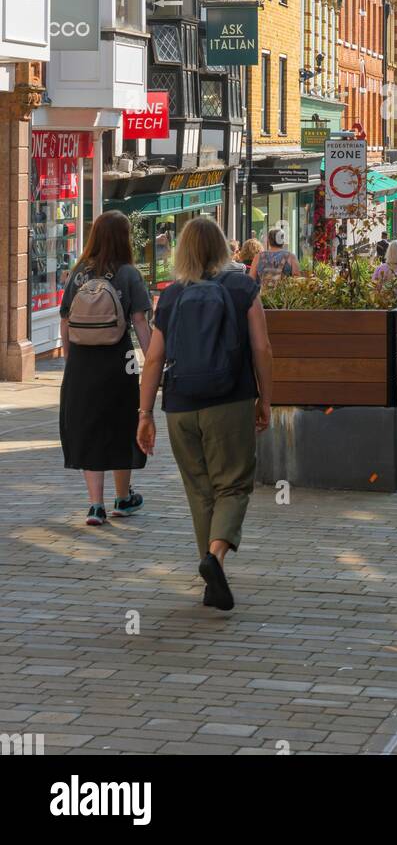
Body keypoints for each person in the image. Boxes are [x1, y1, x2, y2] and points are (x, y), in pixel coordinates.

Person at [136, 217, 273, 612]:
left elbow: (154, 360)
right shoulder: (243, 287)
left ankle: (212, 580)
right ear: (221, 249)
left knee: (200, 492)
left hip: (180, 405)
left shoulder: (172, 296)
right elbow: (262, 349)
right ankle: (214, 559)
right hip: (229, 401)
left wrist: (144, 413)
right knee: (232, 486)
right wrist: (266, 398)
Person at [59, 211, 153, 526]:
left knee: (88, 427)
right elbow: (139, 322)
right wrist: (153, 361)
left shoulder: (78, 273)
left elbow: (65, 322)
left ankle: (95, 505)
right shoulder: (129, 274)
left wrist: (72, 359)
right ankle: (123, 498)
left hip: (82, 363)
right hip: (118, 361)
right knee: (121, 424)